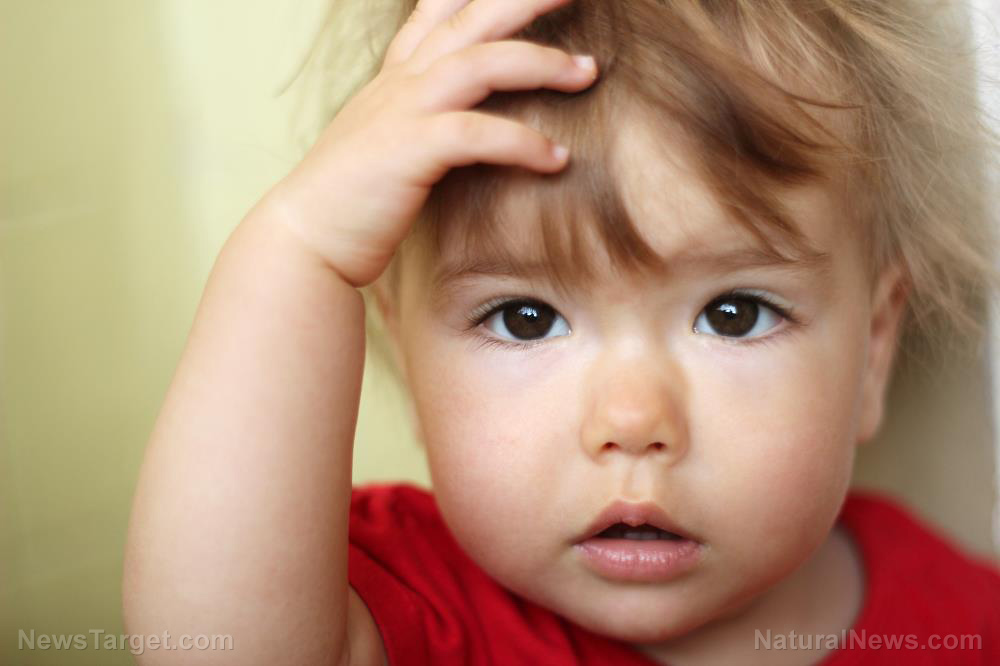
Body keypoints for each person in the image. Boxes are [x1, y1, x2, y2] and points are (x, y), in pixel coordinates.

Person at [122, 0, 1000, 663]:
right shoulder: (418, 608)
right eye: (526, 318)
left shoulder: (962, 623)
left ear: (873, 350)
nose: (632, 420)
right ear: (409, 362)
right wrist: (297, 247)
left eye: (733, 314)